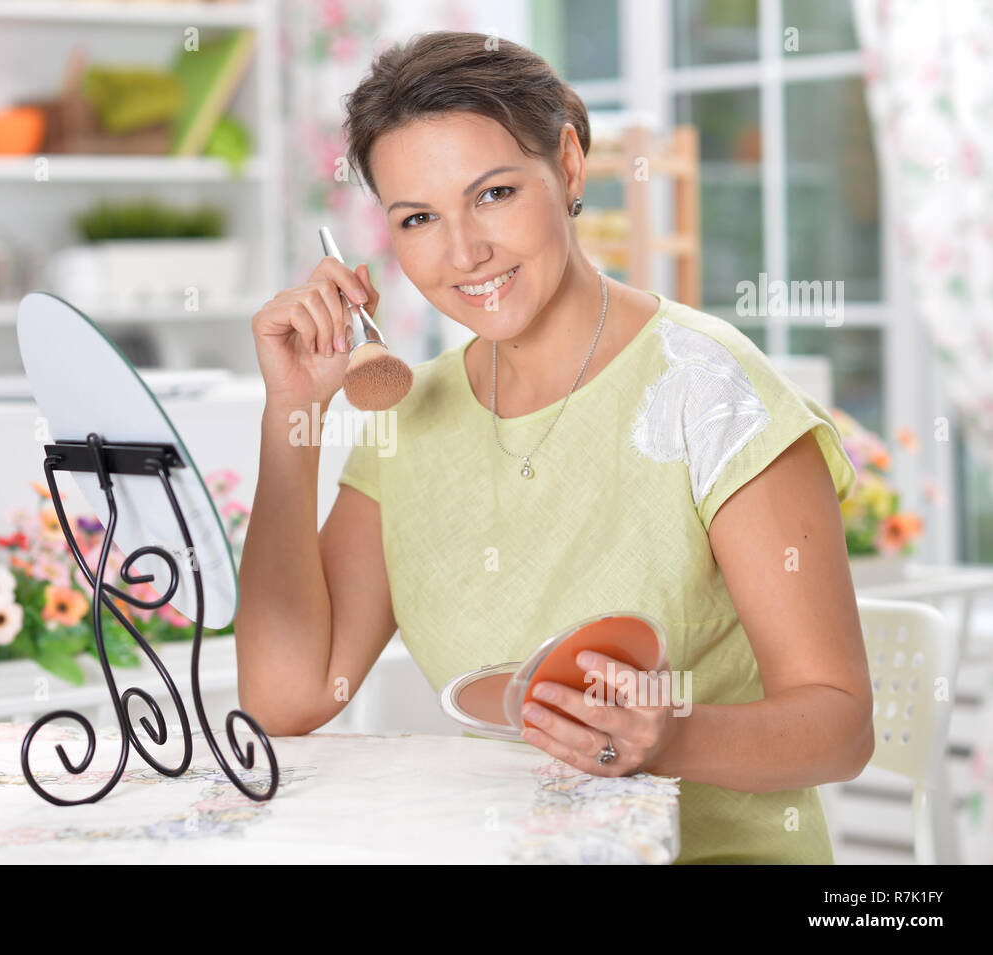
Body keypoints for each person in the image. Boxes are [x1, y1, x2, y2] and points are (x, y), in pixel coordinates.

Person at [236, 30, 873, 865]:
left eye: (494, 193)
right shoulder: (412, 416)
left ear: (569, 166)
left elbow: (840, 724)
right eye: (418, 218)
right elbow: (287, 700)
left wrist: (666, 736)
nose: (464, 252)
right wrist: (293, 418)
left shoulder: (708, 388)